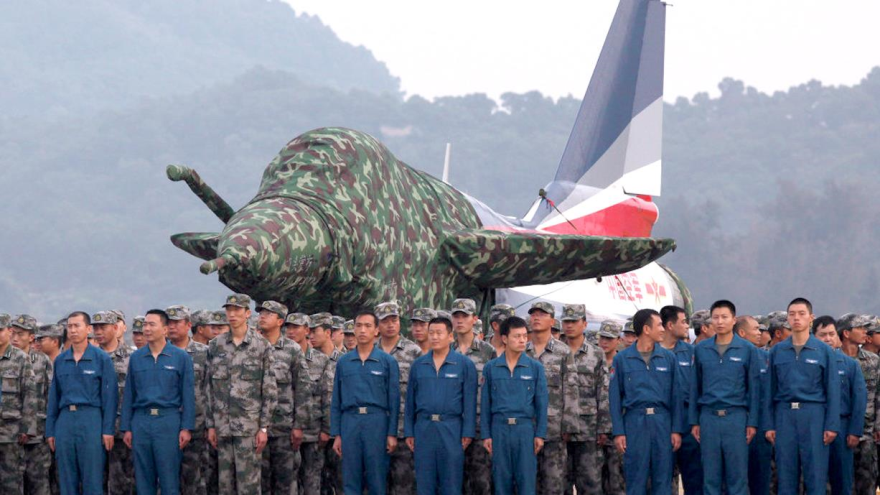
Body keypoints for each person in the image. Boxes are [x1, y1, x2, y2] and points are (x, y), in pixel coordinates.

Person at [764, 298, 840, 495]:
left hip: (813, 414)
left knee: (815, 475)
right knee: (786, 475)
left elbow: (832, 390)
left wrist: (831, 425)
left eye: (801, 314)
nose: (796, 318)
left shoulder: (823, 351)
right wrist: (769, 424)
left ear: (811, 317)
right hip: (785, 415)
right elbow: (769, 390)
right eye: (792, 314)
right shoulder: (777, 351)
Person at [206, 294, 278, 495]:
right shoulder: (216, 345)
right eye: (229, 310)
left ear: (247, 313)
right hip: (222, 427)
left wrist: (263, 427)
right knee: (225, 485)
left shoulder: (261, 345)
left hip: (249, 429)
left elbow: (269, 389)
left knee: (249, 485)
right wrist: (211, 425)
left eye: (237, 310)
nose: (232, 314)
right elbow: (208, 387)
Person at [689, 301, 761, 495]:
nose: (720, 322)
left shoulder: (748, 349)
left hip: (736, 418)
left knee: (737, 478)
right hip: (709, 418)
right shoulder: (701, 349)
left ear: (733, 320)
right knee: (710, 478)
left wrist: (752, 422)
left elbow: (754, 389)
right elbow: (695, 387)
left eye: (724, 317)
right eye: (716, 317)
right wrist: (694, 421)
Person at [609, 308, 684, 495]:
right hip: (635, 423)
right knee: (635, 480)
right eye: (659, 325)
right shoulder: (622, 359)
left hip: (662, 423)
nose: (663, 329)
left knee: (663, 480)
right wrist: (619, 432)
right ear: (646, 329)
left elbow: (676, 396)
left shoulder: (668, 358)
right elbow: (615, 398)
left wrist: (676, 429)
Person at [121, 309, 195, 494]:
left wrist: (186, 427)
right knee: (143, 479)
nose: (146, 329)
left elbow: (188, 394)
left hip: (168, 421)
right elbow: (129, 394)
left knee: (169, 478)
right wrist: (127, 427)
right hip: (141, 420)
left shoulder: (180, 357)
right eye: (145, 324)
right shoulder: (136, 358)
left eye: (152, 324)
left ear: (165, 329)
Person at [46, 311, 118, 495]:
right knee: (66, 478)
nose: (72, 330)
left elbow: (110, 398)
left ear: (88, 329)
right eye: (69, 326)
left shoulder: (101, 359)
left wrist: (108, 429)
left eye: (77, 326)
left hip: (91, 418)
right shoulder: (61, 360)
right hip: (65, 420)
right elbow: (54, 397)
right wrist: (50, 430)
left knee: (92, 478)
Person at [404, 316, 477, 495]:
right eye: (431, 333)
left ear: (450, 336)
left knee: (451, 484)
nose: (434, 337)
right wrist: (409, 431)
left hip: (451, 428)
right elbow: (410, 402)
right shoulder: (418, 365)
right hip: (424, 428)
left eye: (439, 333)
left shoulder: (464, 364)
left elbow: (469, 401)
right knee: (424, 484)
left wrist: (467, 432)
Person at [331, 310, 400, 495]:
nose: (362, 330)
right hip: (350, 421)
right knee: (350, 479)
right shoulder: (344, 362)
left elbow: (394, 400)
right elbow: (336, 399)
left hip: (376, 422)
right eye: (359, 325)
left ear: (376, 330)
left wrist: (391, 433)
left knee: (377, 478)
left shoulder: (387, 361)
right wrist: (337, 433)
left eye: (368, 326)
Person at [481, 316, 548, 495]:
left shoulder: (535, 368)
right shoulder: (491, 368)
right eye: (517, 336)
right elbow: (485, 404)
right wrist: (486, 434)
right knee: (501, 482)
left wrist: (540, 434)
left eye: (525, 336)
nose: (522, 340)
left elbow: (542, 403)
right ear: (504, 338)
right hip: (499, 429)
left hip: (524, 430)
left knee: (526, 482)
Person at [257, 301, 311, 495]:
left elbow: (302, 388)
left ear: (280, 321)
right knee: (259, 483)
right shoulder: (253, 347)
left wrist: (299, 425)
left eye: (268, 314)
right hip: (256, 428)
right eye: (261, 313)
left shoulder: (292, 349)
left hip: (283, 427)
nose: (262, 317)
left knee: (285, 482)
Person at [525, 301, 577, 495]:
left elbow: (571, 389)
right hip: (526, 427)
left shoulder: (563, 352)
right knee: (528, 483)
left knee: (553, 483)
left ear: (552, 321)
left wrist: (568, 426)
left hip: (553, 429)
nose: (536, 318)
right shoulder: (522, 351)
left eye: (542, 314)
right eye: (533, 314)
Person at [814, 315, 867, 495]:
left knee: (842, 479)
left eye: (831, 334)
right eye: (822, 335)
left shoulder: (850, 365)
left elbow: (859, 399)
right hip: (814, 424)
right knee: (814, 479)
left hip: (842, 427)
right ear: (813, 337)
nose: (828, 339)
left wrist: (855, 431)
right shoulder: (807, 363)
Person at [561, 304, 611, 495]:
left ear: (584, 324)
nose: (569, 325)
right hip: (560, 430)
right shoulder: (556, 351)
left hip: (588, 430)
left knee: (590, 484)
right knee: (560, 484)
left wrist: (604, 427)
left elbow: (603, 391)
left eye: (574, 321)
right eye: (566, 321)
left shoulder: (596, 354)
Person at [375, 301, 422, 495]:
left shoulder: (413, 352)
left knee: (403, 485)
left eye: (394, 320)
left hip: (404, 431)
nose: (390, 325)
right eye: (385, 321)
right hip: (375, 429)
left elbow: (420, 393)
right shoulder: (370, 351)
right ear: (378, 325)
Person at [451, 298, 496, 495]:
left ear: (475, 319)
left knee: (480, 482)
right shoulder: (446, 350)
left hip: (479, 425)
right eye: (456, 316)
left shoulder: (487, 352)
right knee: (453, 481)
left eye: (465, 316)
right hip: (452, 424)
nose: (460, 320)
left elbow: (494, 391)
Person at [285, 312, 331, 495]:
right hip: (286, 430)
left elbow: (327, 396)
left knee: (312, 480)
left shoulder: (321, 360)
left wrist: (326, 429)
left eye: (295, 327)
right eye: (288, 327)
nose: (291, 331)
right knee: (288, 482)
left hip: (313, 432)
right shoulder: (280, 358)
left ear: (306, 330)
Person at [166, 305, 211, 495]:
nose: (172, 327)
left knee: (195, 478)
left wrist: (210, 424)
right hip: (166, 424)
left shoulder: (204, 352)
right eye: (169, 323)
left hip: (196, 425)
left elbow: (210, 389)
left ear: (188, 325)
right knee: (167, 478)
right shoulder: (160, 352)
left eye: (177, 322)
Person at [659, 305, 702, 495]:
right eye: (683, 322)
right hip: (662, 421)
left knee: (694, 478)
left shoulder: (692, 352)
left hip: (688, 422)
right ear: (670, 325)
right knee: (662, 479)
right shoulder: (653, 352)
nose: (687, 326)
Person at [834, 313, 878, 495]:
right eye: (859, 328)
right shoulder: (832, 359)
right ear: (846, 333)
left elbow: (879, 396)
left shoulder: (873, 361)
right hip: (840, 429)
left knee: (867, 480)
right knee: (839, 481)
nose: (864, 331)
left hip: (867, 431)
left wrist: (878, 426)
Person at [93, 310, 135, 495]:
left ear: (115, 328)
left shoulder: (132, 357)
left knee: (123, 482)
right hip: (94, 428)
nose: (98, 332)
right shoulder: (89, 357)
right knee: (95, 482)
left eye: (103, 327)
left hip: (122, 431)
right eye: (95, 328)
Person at [10, 314, 53, 495]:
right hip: (11, 434)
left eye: (20, 334)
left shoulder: (42, 361)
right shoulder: (6, 360)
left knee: (38, 483)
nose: (15, 338)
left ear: (31, 337)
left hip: (38, 435)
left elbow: (51, 396)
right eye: (13, 333)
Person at [734, 316, 772, 495]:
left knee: (761, 479)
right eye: (756, 329)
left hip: (761, 427)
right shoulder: (730, 358)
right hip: (736, 424)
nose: (760, 333)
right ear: (742, 333)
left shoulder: (766, 358)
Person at [0, 313, 37, 494]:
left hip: (10, 432)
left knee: (11, 482)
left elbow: (29, 394)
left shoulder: (21, 358)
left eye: (0, 330)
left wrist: (27, 428)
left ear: (9, 331)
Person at [596, 321, 626, 495]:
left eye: (609, 338)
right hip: (594, 431)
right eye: (602, 338)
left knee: (617, 480)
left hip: (617, 430)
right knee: (595, 482)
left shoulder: (623, 362)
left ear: (618, 340)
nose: (604, 342)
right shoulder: (592, 362)